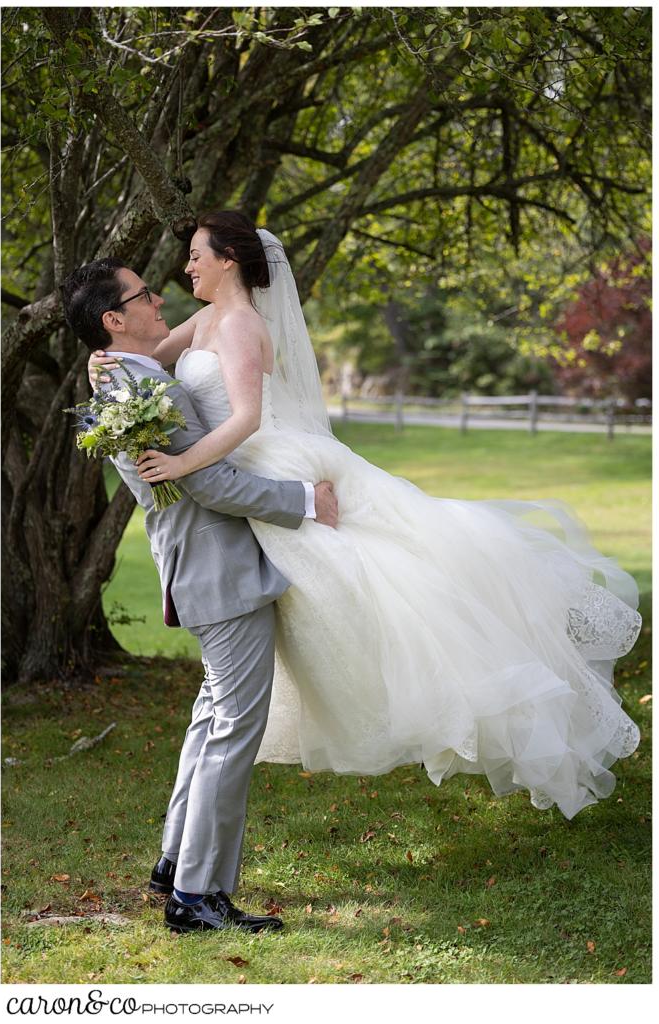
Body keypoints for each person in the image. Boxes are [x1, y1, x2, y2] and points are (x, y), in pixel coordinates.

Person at [89, 211, 642, 822]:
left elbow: (245, 417)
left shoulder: (242, 325)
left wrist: (184, 462)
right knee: (311, 605)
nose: (186, 265)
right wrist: (100, 363)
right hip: (235, 470)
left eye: (197, 254)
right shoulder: (205, 319)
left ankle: (441, 686)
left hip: (259, 457)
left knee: (369, 580)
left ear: (229, 261)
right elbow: (144, 359)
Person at [62, 257, 339, 934]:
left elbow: (190, 466)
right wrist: (304, 500)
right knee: (232, 733)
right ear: (113, 319)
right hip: (218, 570)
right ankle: (199, 897)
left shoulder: (124, 375)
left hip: (202, 565)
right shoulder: (130, 389)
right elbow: (205, 483)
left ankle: (174, 869)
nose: (158, 299)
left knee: (210, 721)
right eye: (143, 295)